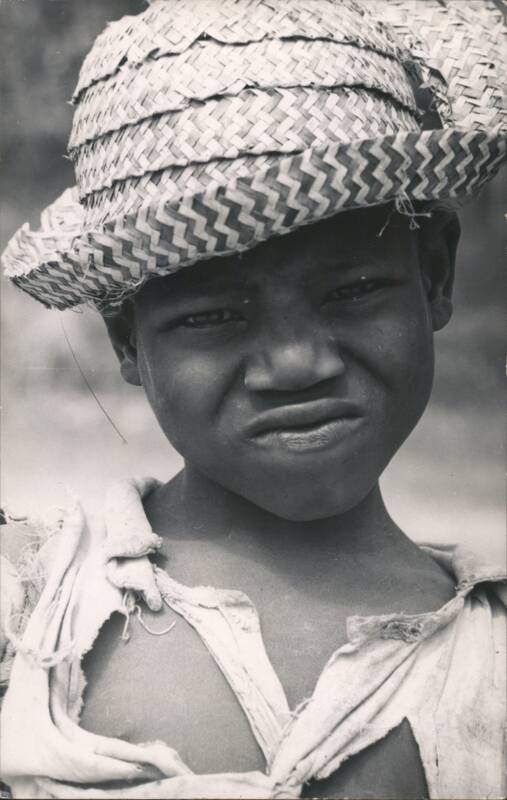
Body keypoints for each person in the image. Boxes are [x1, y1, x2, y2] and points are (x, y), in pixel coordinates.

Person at [0, 1, 505, 798]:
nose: (296, 363)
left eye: (353, 291)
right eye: (212, 317)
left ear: (434, 276)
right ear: (128, 342)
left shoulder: (489, 662)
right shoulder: (33, 606)